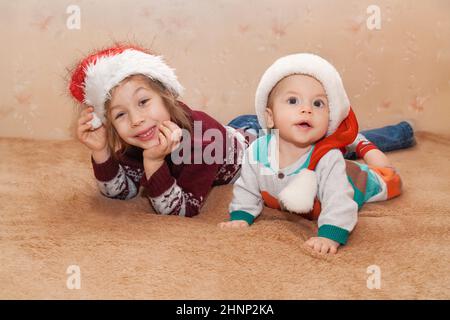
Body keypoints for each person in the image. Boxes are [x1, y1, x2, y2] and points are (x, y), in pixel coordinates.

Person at [69, 44, 413, 220]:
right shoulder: (137, 137)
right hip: (238, 127)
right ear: (109, 122)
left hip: (257, 143)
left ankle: (365, 137)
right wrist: (100, 152)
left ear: (168, 97)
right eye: (120, 115)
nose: (137, 120)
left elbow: (182, 210)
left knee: (320, 142)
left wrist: (155, 164)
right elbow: (120, 192)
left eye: (144, 102)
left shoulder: (202, 144)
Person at [219, 53, 404, 255]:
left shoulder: (328, 158)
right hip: (330, 171)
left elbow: (339, 201)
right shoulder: (257, 150)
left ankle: (362, 144)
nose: (306, 109)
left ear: (329, 119)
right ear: (270, 117)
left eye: (318, 104)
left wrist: (330, 234)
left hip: (354, 180)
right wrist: (241, 215)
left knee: (387, 176)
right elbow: (247, 188)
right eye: (292, 100)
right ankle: (357, 143)